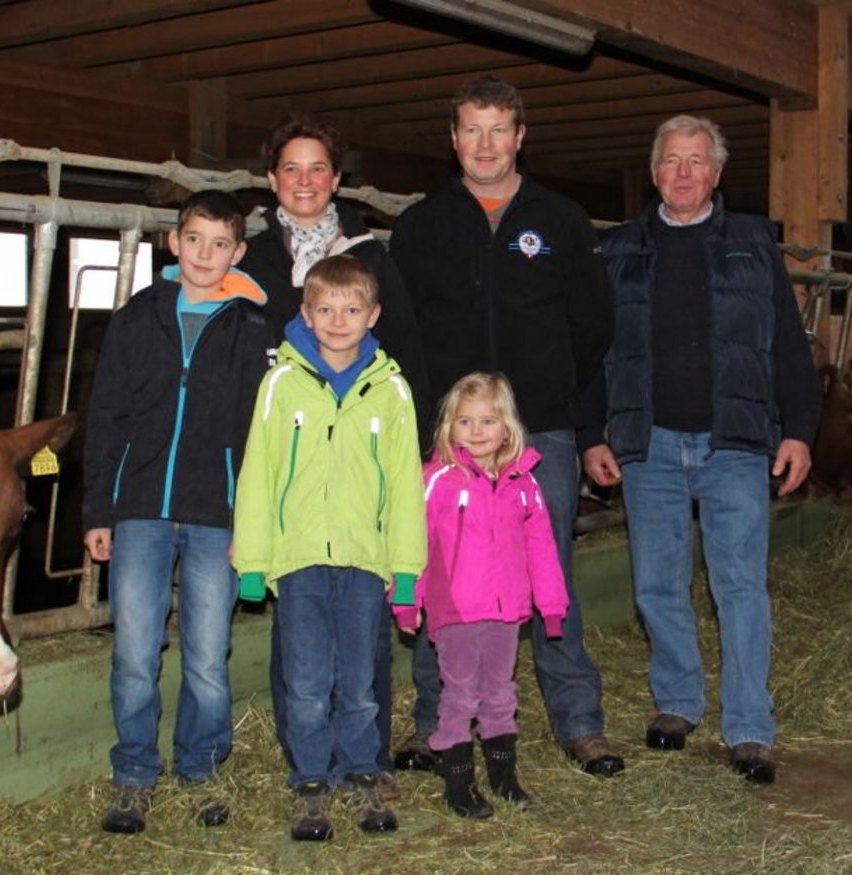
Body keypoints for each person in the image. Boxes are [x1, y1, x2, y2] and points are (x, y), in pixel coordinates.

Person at [389, 74, 623, 777]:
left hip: (539, 432)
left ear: (520, 137)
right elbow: (404, 330)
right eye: (471, 130)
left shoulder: (561, 219)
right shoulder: (423, 225)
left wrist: (559, 407)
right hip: (448, 440)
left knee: (548, 570)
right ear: (453, 139)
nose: (485, 144)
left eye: (499, 130)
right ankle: (438, 722)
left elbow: (592, 326)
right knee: (442, 578)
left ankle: (579, 722)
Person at [580, 115, 821, 785]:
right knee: (658, 581)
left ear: (716, 174)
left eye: (697, 161)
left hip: (735, 441)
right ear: (655, 172)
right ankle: (679, 702)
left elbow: (786, 343)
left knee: (739, 583)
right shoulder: (620, 249)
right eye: (671, 161)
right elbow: (597, 352)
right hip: (648, 442)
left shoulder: (751, 241)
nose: (683, 173)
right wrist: (592, 432)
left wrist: (799, 426)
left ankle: (749, 724)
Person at [239, 116, 428, 800]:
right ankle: (307, 760)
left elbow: (405, 341)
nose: (305, 181)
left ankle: (365, 755)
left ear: (336, 179)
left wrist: (415, 434)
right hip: (285, 451)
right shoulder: (250, 258)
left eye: (318, 168)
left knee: (362, 635)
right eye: (291, 168)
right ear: (272, 180)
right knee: (300, 638)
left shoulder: (371, 257)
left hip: (357, 454)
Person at [82, 189, 272, 834]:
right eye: (194, 239)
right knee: (135, 651)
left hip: (217, 511)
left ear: (238, 252)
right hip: (138, 509)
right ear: (174, 243)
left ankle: (201, 769)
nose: (205, 253)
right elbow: (106, 412)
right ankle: (135, 772)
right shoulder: (140, 317)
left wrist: (254, 516)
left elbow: (260, 433)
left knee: (206, 655)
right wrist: (97, 510)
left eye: (221, 243)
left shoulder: (251, 326)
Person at [394, 372, 570, 819]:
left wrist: (551, 604)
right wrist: (406, 599)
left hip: (507, 608)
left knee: (500, 691)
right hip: (456, 608)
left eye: (488, 421)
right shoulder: (436, 481)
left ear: (507, 426)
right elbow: (411, 543)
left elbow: (542, 548)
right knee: (460, 694)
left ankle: (503, 776)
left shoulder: (522, 482)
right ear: (448, 427)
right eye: (465, 422)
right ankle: (458, 781)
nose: (476, 432)